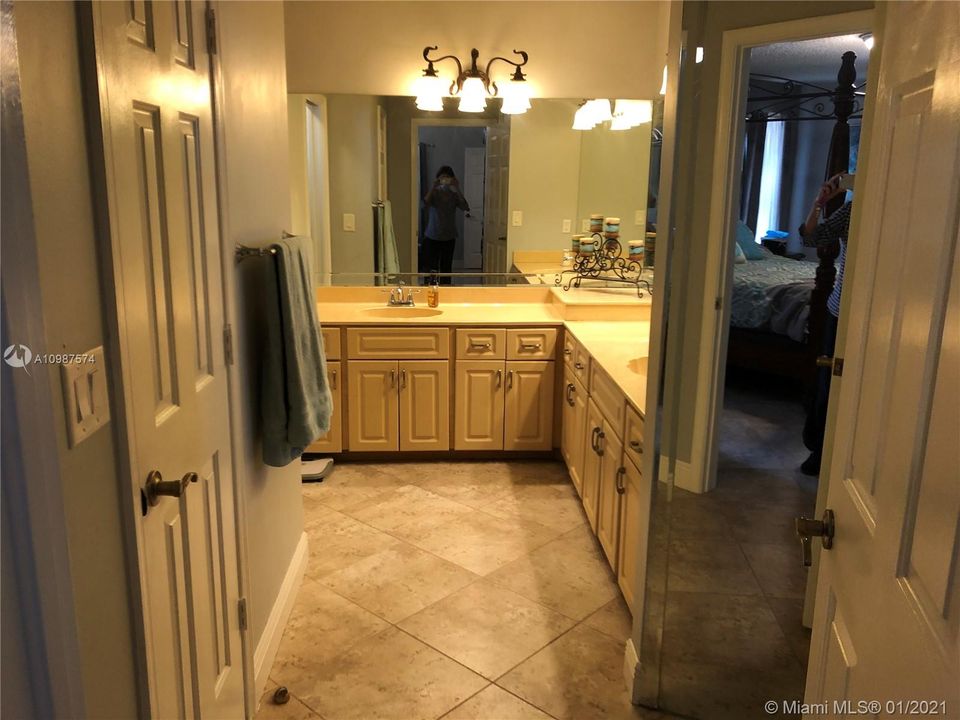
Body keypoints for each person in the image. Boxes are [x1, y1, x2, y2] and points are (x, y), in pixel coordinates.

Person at [799, 173, 853, 476]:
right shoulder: (852, 211)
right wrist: (819, 203)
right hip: (840, 309)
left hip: (876, 317)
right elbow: (810, 237)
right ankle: (819, 450)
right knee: (829, 382)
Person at [423, 165, 469, 285]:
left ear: (452, 179)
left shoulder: (454, 195)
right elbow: (424, 204)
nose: (445, 179)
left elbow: (465, 207)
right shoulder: (434, 193)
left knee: (446, 267)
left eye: (448, 177)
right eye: (443, 177)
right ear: (438, 179)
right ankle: (430, 290)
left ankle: (445, 290)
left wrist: (457, 188)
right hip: (432, 235)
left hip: (449, 236)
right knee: (431, 267)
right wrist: (433, 187)